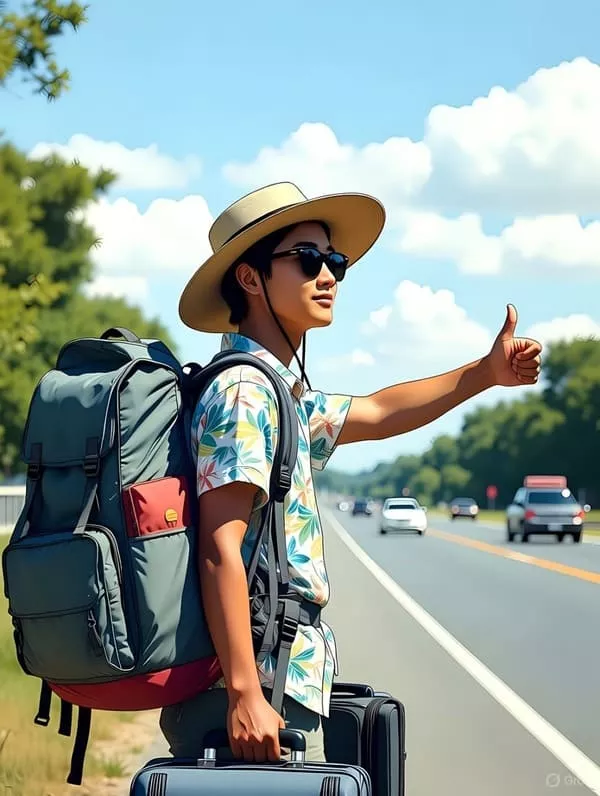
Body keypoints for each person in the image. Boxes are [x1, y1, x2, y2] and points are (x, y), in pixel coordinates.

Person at [159, 182, 542, 765]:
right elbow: (220, 548)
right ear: (250, 278)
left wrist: (485, 373)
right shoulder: (243, 394)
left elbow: (382, 411)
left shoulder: (280, 394)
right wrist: (243, 694)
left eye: (334, 262)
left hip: (277, 676)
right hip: (253, 690)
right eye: (308, 259)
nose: (330, 275)